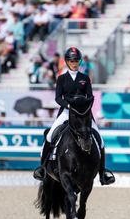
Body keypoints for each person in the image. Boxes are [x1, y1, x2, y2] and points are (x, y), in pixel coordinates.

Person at [33, 46, 115, 185]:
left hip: (83, 113)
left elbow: (91, 97)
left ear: (80, 61)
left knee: (100, 139)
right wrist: (70, 106)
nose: (74, 63)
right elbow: (58, 98)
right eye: (71, 61)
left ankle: (102, 173)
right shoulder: (62, 78)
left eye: (76, 60)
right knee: (49, 135)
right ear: (67, 62)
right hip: (66, 112)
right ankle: (42, 168)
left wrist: (83, 107)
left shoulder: (85, 78)